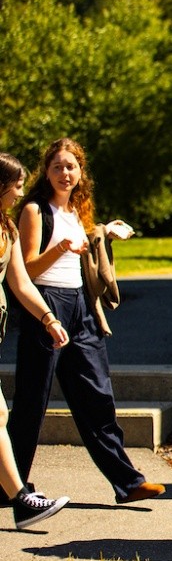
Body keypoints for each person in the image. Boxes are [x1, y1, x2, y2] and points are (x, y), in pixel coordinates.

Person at [10, 138, 165, 505]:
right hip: (45, 306)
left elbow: (85, 252)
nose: (65, 173)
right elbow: (27, 269)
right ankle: (10, 486)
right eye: (57, 167)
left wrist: (103, 232)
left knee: (97, 394)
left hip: (79, 308)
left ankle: (128, 483)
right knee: (32, 400)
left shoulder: (78, 211)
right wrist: (61, 247)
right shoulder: (35, 210)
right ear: (45, 173)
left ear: (81, 173)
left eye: (71, 167)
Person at [0, 153, 71, 529]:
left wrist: (48, 318)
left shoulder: (6, 229)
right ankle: (20, 500)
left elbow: (21, 282)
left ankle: (20, 500)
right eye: (16, 185)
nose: (20, 192)